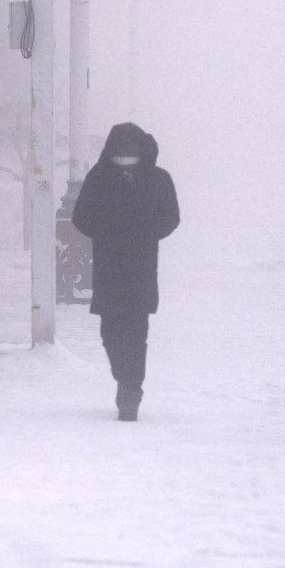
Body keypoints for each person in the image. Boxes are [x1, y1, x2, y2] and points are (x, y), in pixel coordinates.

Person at [71, 122, 180, 421]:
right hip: (123, 265)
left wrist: (136, 234)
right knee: (121, 332)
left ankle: (130, 387)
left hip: (130, 265)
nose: (126, 157)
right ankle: (127, 381)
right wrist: (119, 232)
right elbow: (81, 217)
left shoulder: (155, 179)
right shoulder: (101, 178)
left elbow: (171, 218)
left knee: (127, 330)